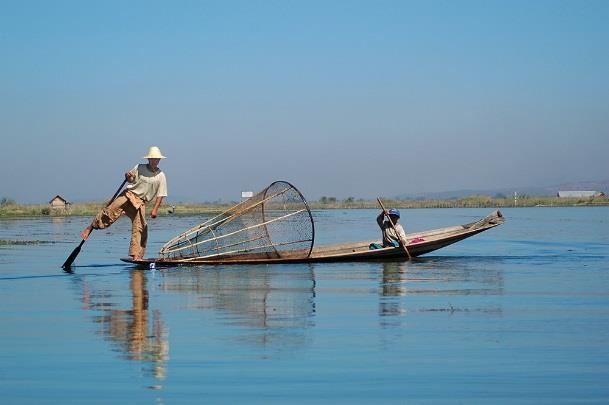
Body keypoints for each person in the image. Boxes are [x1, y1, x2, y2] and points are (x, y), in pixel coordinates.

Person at [80, 146, 168, 260]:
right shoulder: (139, 167)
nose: (155, 161)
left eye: (157, 159)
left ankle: (136, 255)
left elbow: (161, 194)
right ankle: (90, 228)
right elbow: (130, 179)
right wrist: (128, 176)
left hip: (140, 202)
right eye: (152, 158)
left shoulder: (161, 175)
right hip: (128, 195)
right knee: (109, 212)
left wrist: (155, 209)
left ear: (159, 160)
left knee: (141, 227)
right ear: (149, 159)